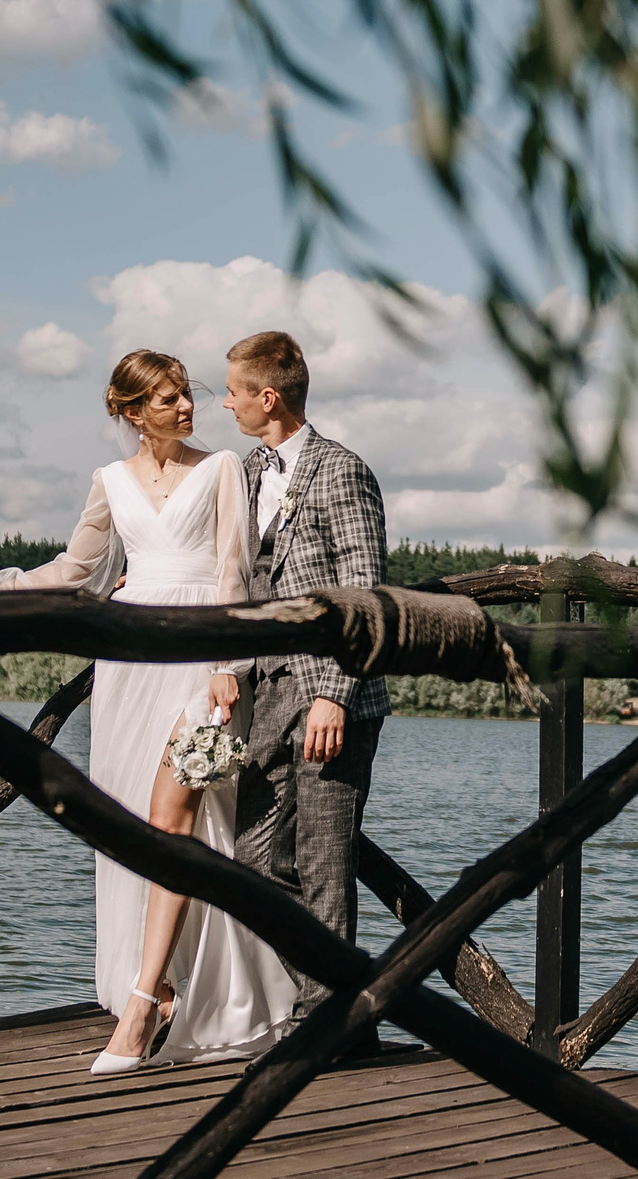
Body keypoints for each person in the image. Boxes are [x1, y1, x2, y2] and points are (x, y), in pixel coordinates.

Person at [0, 351, 294, 1073]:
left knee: (179, 817)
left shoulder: (222, 467)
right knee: (134, 828)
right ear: (132, 413)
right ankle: (159, 988)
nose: (186, 407)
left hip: (202, 660)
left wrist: (228, 664)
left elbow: (236, 570)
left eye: (187, 394)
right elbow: (73, 571)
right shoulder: (110, 483)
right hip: (128, 668)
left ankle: (143, 1003)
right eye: (167, 400)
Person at [220, 330, 390, 1043]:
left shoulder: (341, 470)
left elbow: (362, 589)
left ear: (268, 396)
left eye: (231, 390)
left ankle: (330, 1024)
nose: (223, 402)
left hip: (331, 695)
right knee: (256, 859)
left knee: (324, 862)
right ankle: (347, 1007)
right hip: (269, 691)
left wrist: (335, 694)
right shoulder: (252, 473)